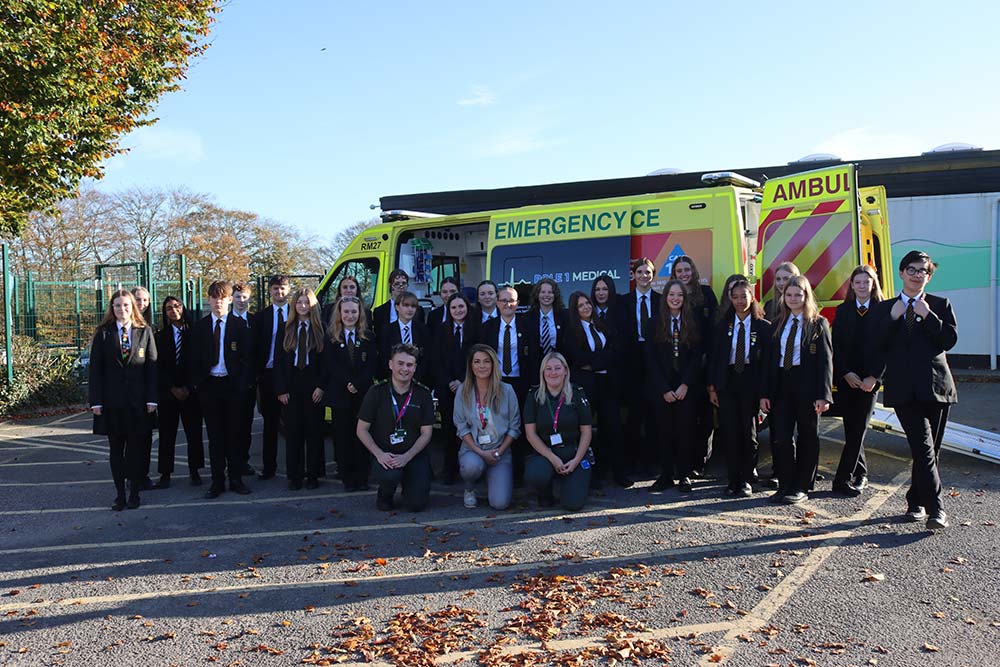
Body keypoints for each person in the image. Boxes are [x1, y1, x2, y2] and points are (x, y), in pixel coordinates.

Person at [866, 250, 957, 530]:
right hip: (904, 389)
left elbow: (948, 340)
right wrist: (892, 319)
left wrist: (928, 316)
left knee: (930, 450)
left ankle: (915, 500)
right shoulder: (885, 308)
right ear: (902, 272)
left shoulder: (939, 305)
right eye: (913, 270)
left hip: (936, 387)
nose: (919, 275)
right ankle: (936, 510)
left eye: (924, 271)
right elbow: (875, 344)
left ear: (929, 277)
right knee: (923, 447)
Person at [760, 275, 833, 505]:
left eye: (798, 295)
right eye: (789, 295)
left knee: (807, 436)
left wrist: (823, 394)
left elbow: (825, 361)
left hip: (807, 386)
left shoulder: (818, 324)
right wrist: (764, 393)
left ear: (806, 295)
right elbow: (768, 361)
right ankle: (785, 483)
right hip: (781, 385)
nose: (793, 299)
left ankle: (802, 485)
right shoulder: (778, 322)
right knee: (781, 437)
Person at [89, 289, 158, 510]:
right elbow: (96, 370)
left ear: (133, 307)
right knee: (116, 451)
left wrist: (152, 399)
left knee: (136, 450)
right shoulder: (103, 333)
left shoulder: (144, 331)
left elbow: (152, 369)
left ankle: (135, 492)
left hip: (138, 403)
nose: (122, 309)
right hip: (112, 404)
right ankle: (120, 494)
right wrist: (96, 401)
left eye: (126, 305)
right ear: (112, 309)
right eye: (117, 305)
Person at [708, 278, 771, 497]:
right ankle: (733, 479)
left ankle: (746, 479)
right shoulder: (722, 325)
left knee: (749, 433)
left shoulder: (763, 327)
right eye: (734, 297)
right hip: (727, 385)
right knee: (729, 433)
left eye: (743, 296)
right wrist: (712, 388)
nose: (739, 301)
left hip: (751, 386)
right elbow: (714, 359)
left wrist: (764, 393)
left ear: (751, 297)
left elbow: (768, 365)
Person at [191, 280, 253, 498]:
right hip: (210, 387)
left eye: (222, 298)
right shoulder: (200, 327)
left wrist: (242, 383)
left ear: (229, 299)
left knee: (234, 435)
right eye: (214, 298)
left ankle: (236, 479)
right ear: (208, 300)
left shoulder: (239, 325)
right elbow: (194, 359)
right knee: (215, 437)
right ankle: (217, 481)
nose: (218, 302)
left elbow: (248, 358)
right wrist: (200, 383)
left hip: (233, 387)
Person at [560, 291, 629, 488]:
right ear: (575, 310)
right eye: (581, 305)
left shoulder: (602, 325)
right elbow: (577, 358)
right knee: (587, 431)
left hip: (607, 384)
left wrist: (595, 363)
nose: (586, 308)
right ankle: (593, 475)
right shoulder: (571, 332)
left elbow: (615, 352)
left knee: (613, 429)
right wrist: (601, 360)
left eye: (587, 304)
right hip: (586, 387)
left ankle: (618, 473)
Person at [357, 344, 436, 512]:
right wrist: (379, 454)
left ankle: (411, 486)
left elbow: (426, 433)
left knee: (416, 505)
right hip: (386, 454)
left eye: (409, 365)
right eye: (400, 363)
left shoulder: (423, 394)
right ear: (390, 364)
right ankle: (385, 493)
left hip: (414, 455)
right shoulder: (376, 392)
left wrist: (407, 456)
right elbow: (361, 429)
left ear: (415, 368)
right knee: (390, 476)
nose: (404, 369)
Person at [646, 279, 703, 493]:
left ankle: (684, 475)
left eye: (679, 295)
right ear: (665, 297)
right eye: (671, 294)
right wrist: (663, 389)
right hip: (663, 389)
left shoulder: (693, 321)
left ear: (684, 298)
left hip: (686, 388)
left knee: (685, 432)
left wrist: (686, 384)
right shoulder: (654, 323)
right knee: (664, 432)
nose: (675, 298)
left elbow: (698, 357)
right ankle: (666, 475)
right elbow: (650, 359)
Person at [831, 265, 884, 496]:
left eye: (867, 282)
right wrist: (845, 373)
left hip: (869, 381)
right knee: (852, 429)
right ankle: (861, 474)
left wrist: (875, 376)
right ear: (852, 285)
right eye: (858, 282)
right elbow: (837, 347)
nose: (862, 286)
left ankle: (841, 479)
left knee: (859, 428)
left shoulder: (884, 310)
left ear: (873, 284)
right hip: (848, 380)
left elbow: (888, 348)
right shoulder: (843, 311)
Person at [523, 351, 594, 511]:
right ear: (542, 372)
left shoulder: (577, 393)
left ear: (565, 371)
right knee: (536, 475)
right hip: (546, 453)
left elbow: (586, 432)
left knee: (573, 504)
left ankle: (570, 483)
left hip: (573, 453)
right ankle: (546, 489)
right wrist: (553, 459)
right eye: (548, 369)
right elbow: (530, 434)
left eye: (557, 368)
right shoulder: (533, 396)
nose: (553, 372)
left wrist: (576, 460)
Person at [453, 344, 521, 510]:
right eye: (476, 362)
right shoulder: (463, 391)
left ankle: (492, 476)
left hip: (500, 452)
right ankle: (469, 487)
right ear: (471, 365)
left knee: (500, 504)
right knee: (471, 467)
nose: (481, 366)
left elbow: (514, 427)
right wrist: (481, 452)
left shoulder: (507, 390)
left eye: (486, 361)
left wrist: (499, 451)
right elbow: (461, 427)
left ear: (493, 365)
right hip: (473, 450)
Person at [323, 296, 378, 492]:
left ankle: (362, 476)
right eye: (346, 311)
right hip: (340, 394)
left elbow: (372, 365)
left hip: (363, 394)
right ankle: (348, 477)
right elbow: (331, 365)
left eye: (354, 312)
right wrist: (347, 382)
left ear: (359, 314)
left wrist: (358, 383)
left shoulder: (369, 337)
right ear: (339, 313)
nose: (349, 315)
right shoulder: (330, 337)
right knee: (343, 436)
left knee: (362, 437)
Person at [670, 256, 718, 477]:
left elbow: (716, 325)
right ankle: (685, 464)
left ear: (693, 270)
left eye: (686, 270)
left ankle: (701, 460)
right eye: (679, 271)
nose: (683, 274)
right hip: (685, 366)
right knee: (686, 418)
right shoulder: (671, 297)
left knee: (706, 416)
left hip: (706, 363)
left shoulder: (706, 293)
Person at [480, 285, 534, 483]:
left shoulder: (528, 324)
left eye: (511, 300)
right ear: (497, 303)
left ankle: (518, 473)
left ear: (517, 303)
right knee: (495, 426)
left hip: (520, 383)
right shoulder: (488, 328)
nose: (507, 304)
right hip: (497, 382)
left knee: (517, 426)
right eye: (503, 300)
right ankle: (493, 469)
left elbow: (534, 357)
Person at [275, 288, 328, 490]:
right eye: (299, 302)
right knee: (293, 433)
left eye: (307, 302)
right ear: (294, 305)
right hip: (292, 385)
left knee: (314, 432)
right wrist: (281, 389)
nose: (303, 306)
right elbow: (278, 361)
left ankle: (313, 474)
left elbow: (326, 362)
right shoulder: (285, 328)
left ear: (312, 305)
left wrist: (321, 387)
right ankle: (294, 475)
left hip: (313, 385)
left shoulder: (321, 328)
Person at [153, 296, 204, 488]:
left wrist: (188, 387)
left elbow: (199, 363)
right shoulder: (160, 337)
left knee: (194, 433)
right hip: (168, 393)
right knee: (167, 434)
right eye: (168, 308)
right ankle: (165, 473)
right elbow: (158, 367)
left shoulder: (195, 334)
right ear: (164, 313)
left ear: (183, 308)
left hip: (191, 392)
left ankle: (195, 471)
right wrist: (172, 388)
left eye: (177, 306)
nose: (173, 310)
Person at [616, 257, 661, 470]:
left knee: (654, 414)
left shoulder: (661, 301)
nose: (644, 276)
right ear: (633, 276)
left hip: (655, 362)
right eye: (640, 272)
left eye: (648, 272)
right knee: (633, 415)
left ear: (653, 276)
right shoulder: (623, 302)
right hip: (631, 364)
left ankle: (653, 460)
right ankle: (631, 460)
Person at [431, 293, 479, 484]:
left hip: (469, 385)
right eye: (454, 308)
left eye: (461, 307)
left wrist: (462, 381)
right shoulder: (442, 330)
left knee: (470, 427)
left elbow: (477, 358)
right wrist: (449, 381)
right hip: (447, 388)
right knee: (449, 429)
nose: (458, 311)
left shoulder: (476, 330)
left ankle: (470, 468)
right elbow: (437, 361)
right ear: (449, 310)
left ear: (467, 308)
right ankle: (449, 470)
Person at [251, 275, 290, 480]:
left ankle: (296, 468)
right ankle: (269, 467)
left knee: (293, 423)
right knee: (270, 424)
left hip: (291, 377)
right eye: (275, 289)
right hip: (268, 376)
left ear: (288, 289)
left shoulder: (296, 312)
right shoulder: (261, 317)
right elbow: (256, 348)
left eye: (282, 288)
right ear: (270, 291)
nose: (279, 292)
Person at [131, 285, 156, 490]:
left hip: (148, 392)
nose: (141, 304)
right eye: (138, 299)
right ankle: (131, 476)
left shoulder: (151, 327)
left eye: (145, 300)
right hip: (127, 394)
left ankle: (143, 474)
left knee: (146, 436)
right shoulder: (122, 327)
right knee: (129, 439)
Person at [231, 282, 256, 476]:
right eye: (238, 296)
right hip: (229, 383)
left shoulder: (255, 321)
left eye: (245, 297)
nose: (241, 301)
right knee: (232, 425)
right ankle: (231, 462)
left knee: (246, 424)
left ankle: (243, 461)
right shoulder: (225, 321)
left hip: (249, 382)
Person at [376, 290, 429, 382]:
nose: (410, 309)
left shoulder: (423, 330)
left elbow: (427, 357)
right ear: (397, 307)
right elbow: (384, 357)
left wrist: (416, 378)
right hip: (392, 380)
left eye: (413, 306)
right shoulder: (387, 330)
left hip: (418, 380)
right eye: (406, 305)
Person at [523, 278, 565, 377]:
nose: (546, 295)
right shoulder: (527, 318)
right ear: (537, 295)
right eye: (543, 292)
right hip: (536, 368)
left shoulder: (564, 316)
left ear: (555, 295)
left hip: (559, 367)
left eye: (550, 292)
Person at [372, 269, 410, 333]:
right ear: (391, 286)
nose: (401, 287)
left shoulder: (417, 311)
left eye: (404, 283)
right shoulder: (379, 312)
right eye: (397, 284)